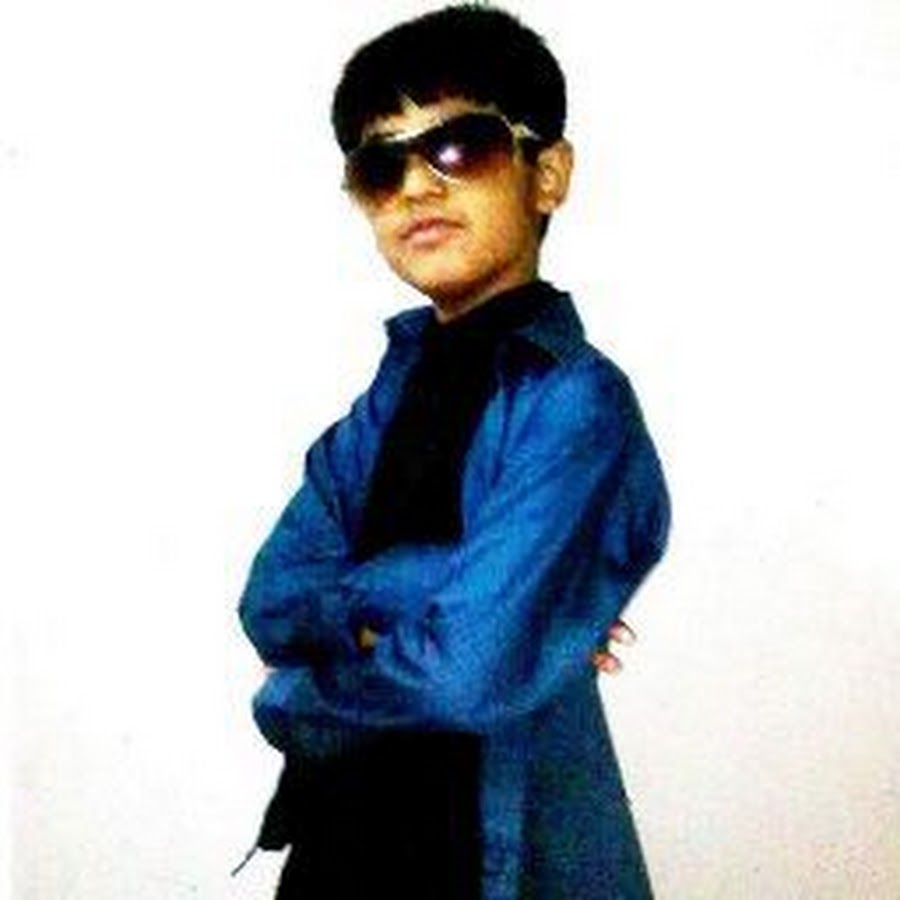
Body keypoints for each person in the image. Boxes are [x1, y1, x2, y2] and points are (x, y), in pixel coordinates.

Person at [238, 6, 670, 898]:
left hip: (483, 863)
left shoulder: (577, 404)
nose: (416, 187)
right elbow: (270, 601)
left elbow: (465, 675)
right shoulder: (385, 398)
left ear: (547, 173)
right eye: (380, 165)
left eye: (459, 147)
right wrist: (448, 596)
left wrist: (293, 696)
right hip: (336, 853)